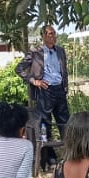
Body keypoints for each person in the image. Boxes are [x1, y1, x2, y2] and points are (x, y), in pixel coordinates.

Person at [16, 25, 70, 159]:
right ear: (43, 36)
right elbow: (19, 68)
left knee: (65, 122)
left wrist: (65, 86)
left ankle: (70, 154)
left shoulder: (60, 51)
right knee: (45, 124)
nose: (53, 36)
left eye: (54, 33)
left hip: (60, 90)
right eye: (50, 34)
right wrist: (34, 81)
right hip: (45, 91)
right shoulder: (36, 52)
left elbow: (64, 70)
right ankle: (49, 157)